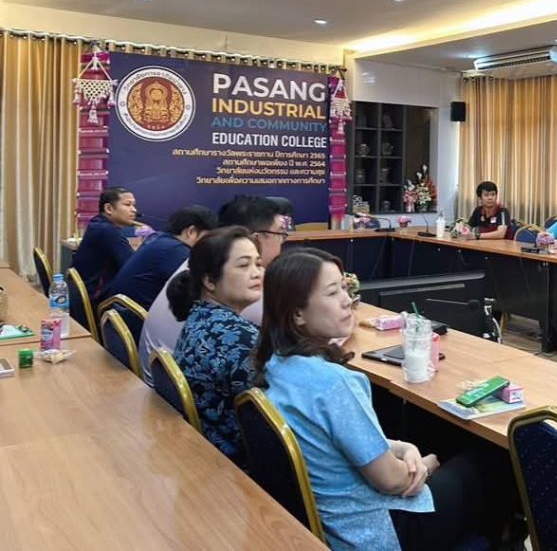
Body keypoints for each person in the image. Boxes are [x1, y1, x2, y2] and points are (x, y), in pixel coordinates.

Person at [254, 248, 512, 551]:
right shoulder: (334, 384)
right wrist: (426, 465)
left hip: (334, 520)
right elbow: (392, 481)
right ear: (297, 313)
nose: (346, 300)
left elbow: (342, 437)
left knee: (442, 440)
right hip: (377, 530)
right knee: (494, 457)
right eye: (332, 292)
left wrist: (404, 448)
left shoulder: (277, 365)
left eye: (344, 288)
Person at [138, 195, 288, 384]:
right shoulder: (237, 335)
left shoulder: (201, 275)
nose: (257, 273)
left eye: (258, 264)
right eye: (280, 234)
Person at [169, 226, 263, 464]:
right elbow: (274, 422)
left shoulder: (201, 317)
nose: (257, 273)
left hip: (207, 448)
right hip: (236, 465)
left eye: (259, 264)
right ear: (210, 280)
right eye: (244, 265)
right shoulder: (239, 339)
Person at [100, 205, 218, 308]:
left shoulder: (159, 239)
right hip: (138, 320)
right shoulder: (175, 250)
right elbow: (199, 291)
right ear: (191, 232)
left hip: (121, 315)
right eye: (206, 238)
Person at [72, 186, 138, 299]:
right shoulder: (108, 231)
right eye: (128, 205)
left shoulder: (97, 223)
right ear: (108, 208)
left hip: (81, 294)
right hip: (97, 298)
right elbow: (133, 267)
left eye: (134, 205)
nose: (134, 210)